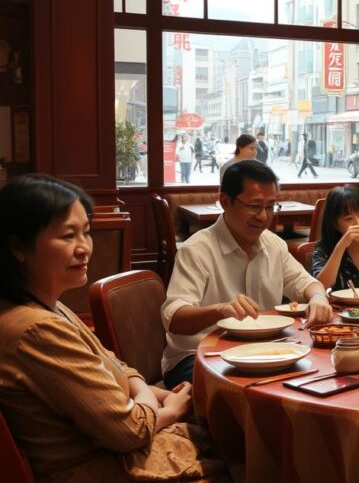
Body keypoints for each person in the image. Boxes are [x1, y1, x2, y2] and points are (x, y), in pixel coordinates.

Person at [0, 174, 225, 482]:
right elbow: (130, 431)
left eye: (86, 233)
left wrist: (142, 392)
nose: (84, 248)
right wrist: (169, 409)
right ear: (18, 247)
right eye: (68, 236)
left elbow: (114, 364)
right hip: (101, 470)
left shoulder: (48, 305)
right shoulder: (35, 330)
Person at [161, 161, 333, 388]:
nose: (263, 216)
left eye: (271, 207)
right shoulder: (197, 250)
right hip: (198, 357)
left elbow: (305, 283)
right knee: (262, 388)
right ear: (225, 201)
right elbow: (173, 318)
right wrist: (220, 310)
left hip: (258, 353)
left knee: (317, 373)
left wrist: (318, 297)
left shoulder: (274, 245)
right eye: (254, 206)